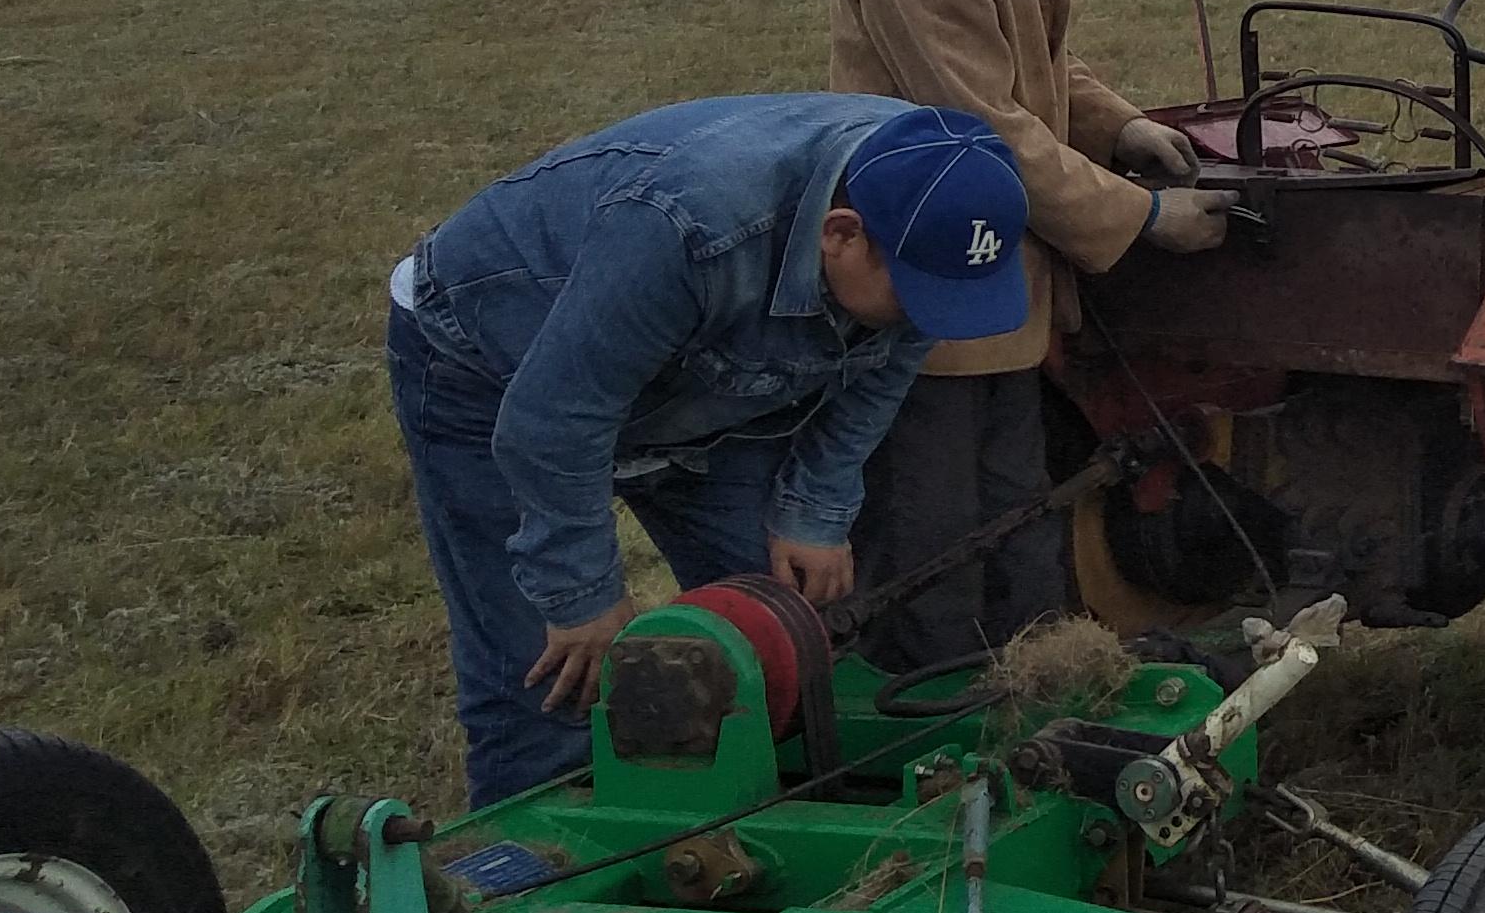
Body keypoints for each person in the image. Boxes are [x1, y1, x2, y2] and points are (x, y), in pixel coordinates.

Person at [390, 97, 1026, 805]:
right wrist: (581, 592)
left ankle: (735, 832)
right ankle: (539, 880)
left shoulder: (935, 194)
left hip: (709, 383)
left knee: (776, 644)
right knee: (551, 679)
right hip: (489, 362)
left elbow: (885, 369)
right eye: (916, 296)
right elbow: (553, 419)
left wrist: (814, 508)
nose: (928, 318)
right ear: (841, 235)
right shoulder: (691, 222)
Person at [829, 0, 1231, 673]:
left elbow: (1033, 61)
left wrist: (1120, 123)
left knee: (1020, 516)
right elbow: (983, 125)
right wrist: (1141, 215)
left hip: (996, 275)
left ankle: (1035, 709)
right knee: (937, 539)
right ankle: (933, 737)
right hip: (927, 267)